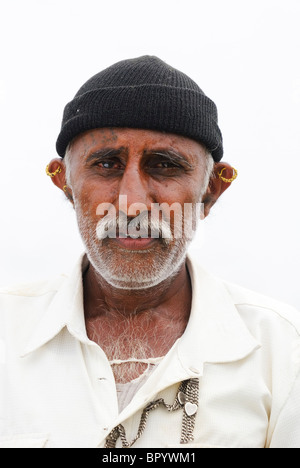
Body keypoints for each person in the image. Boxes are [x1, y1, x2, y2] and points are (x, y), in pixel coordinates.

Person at [0, 56, 299, 449]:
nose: (133, 204)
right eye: (106, 164)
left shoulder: (284, 349)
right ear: (66, 185)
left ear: (211, 191)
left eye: (164, 165)